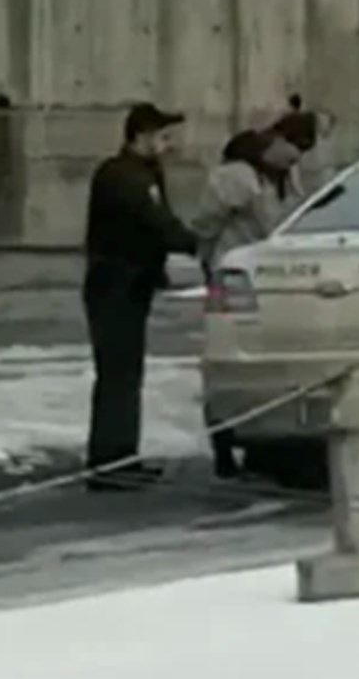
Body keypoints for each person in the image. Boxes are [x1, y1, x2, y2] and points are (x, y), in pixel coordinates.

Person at [82, 102, 196, 491]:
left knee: (126, 374)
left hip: (129, 284)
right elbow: (156, 222)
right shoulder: (123, 176)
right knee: (118, 374)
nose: (168, 145)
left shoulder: (141, 173)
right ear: (141, 136)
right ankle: (110, 462)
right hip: (115, 285)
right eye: (163, 137)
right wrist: (196, 243)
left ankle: (121, 456)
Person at [190, 127, 305, 478]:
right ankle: (232, 446)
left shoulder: (280, 178)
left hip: (258, 276)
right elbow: (207, 225)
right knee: (239, 365)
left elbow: (206, 225)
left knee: (254, 364)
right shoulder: (245, 178)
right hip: (252, 276)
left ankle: (252, 446)